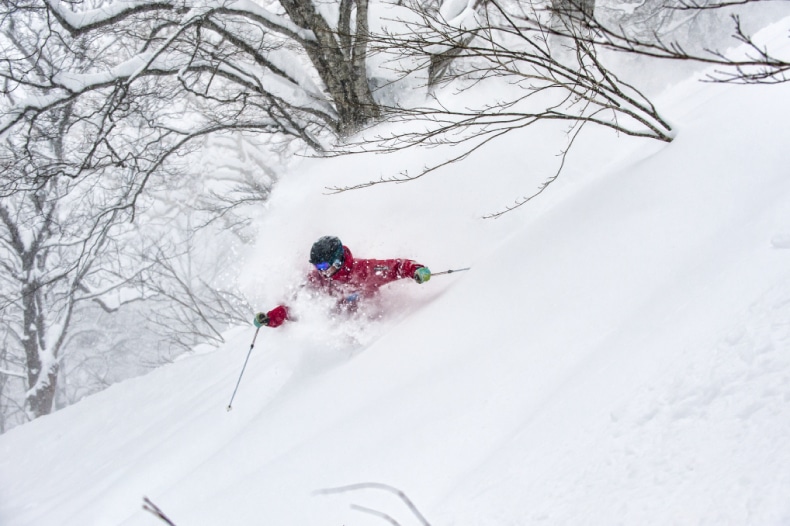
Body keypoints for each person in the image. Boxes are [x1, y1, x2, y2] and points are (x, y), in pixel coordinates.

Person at [253, 235, 432, 328]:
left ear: (338, 260)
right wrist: (271, 318)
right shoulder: (317, 280)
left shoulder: (365, 270)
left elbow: (395, 267)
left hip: (375, 324)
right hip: (340, 327)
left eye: (323, 265)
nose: (320, 271)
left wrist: (415, 270)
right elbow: (296, 306)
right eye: (317, 266)